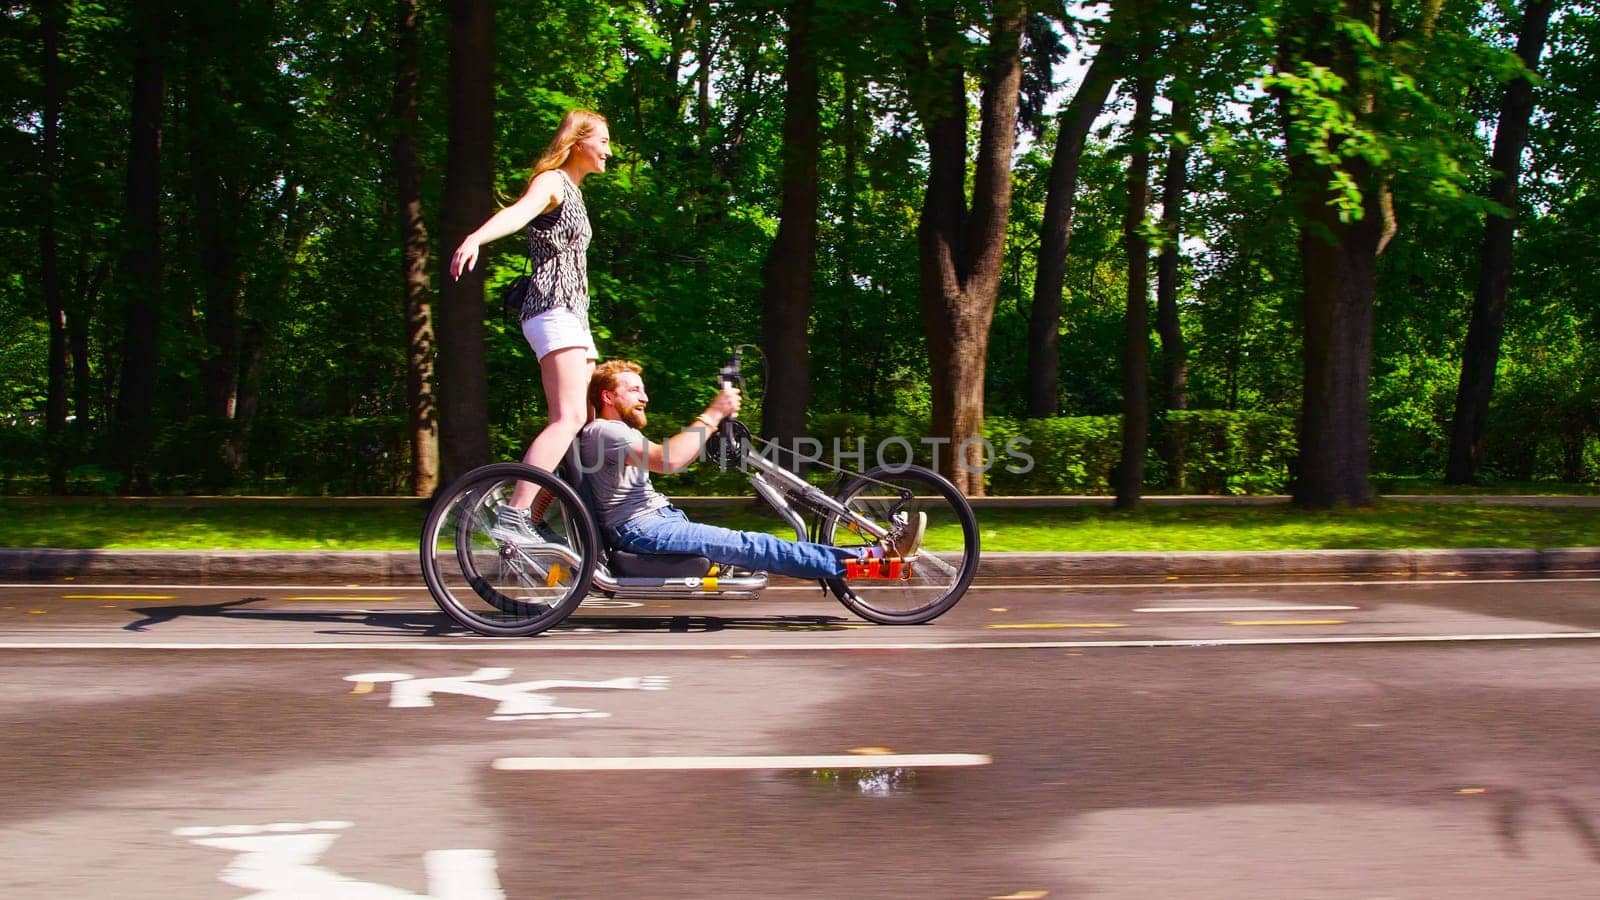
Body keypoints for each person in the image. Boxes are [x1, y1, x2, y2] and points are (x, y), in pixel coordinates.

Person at [572, 360, 925, 580]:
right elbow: (670, 460)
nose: (644, 396)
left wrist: (712, 428)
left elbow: (676, 454)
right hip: (642, 529)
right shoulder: (607, 431)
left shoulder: (617, 433)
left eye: (643, 389)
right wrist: (712, 414)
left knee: (747, 544)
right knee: (753, 545)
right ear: (606, 397)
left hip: (658, 520)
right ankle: (873, 557)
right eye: (634, 390)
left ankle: (863, 555)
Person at [449, 109, 610, 540]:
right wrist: (476, 238)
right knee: (568, 416)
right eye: (603, 142)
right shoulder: (553, 181)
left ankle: (543, 518)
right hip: (552, 307)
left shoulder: (575, 191)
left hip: (574, 314)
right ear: (578, 143)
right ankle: (515, 515)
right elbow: (518, 214)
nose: (608, 152)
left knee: (587, 423)